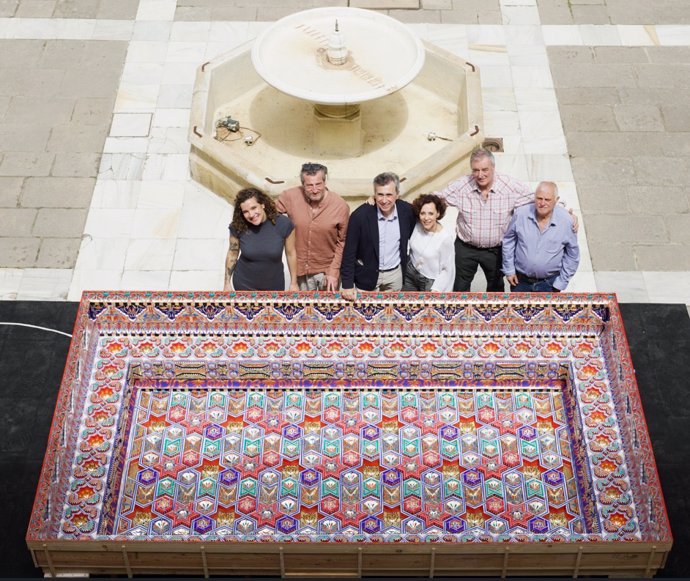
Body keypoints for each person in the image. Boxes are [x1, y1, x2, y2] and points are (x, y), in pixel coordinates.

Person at [434, 148, 577, 292]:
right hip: (466, 248)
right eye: (475, 170)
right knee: (460, 287)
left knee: (496, 287)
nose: (480, 175)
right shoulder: (461, 186)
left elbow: (540, 198)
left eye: (485, 169)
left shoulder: (509, 186)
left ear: (493, 168)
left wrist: (566, 213)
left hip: (495, 250)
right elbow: (436, 199)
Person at [340, 172, 415, 301]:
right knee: (365, 317)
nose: (384, 200)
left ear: (397, 194)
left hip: (395, 275)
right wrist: (347, 284)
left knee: (393, 316)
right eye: (380, 194)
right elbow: (349, 252)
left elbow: (428, 214)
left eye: (389, 194)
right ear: (374, 194)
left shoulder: (407, 211)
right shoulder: (360, 216)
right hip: (366, 275)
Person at [276, 163, 350, 291]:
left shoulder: (340, 205)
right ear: (302, 184)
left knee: (328, 311)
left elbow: (343, 241)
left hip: (327, 272)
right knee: (302, 310)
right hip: (299, 271)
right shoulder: (290, 197)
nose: (315, 190)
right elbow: (268, 215)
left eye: (318, 184)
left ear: (324, 181)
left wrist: (334, 271)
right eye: (309, 186)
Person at [502, 181, 580, 292]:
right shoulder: (520, 215)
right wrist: (509, 270)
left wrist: (562, 281)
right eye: (539, 198)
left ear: (556, 200)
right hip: (520, 282)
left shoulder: (566, 221)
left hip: (550, 284)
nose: (542, 203)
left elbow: (572, 254)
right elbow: (508, 242)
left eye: (547, 199)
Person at [223, 187, 298, 291]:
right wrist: (227, 283)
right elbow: (232, 253)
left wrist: (294, 283)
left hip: (274, 285)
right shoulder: (238, 226)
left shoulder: (284, 224)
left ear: (262, 204)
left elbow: (291, 254)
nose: (251, 215)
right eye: (245, 212)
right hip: (244, 284)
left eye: (254, 208)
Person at [402, 193, 455, 292]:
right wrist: (374, 198)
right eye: (423, 213)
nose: (426, 218)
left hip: (429, 281)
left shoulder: (445, 239)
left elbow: (448, 270)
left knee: (426, 307)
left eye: (431, 213)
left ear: (438, 214)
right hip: (410, 273)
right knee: (406, 306)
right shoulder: (417, 224)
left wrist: (436, 289)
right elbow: (400, 204)